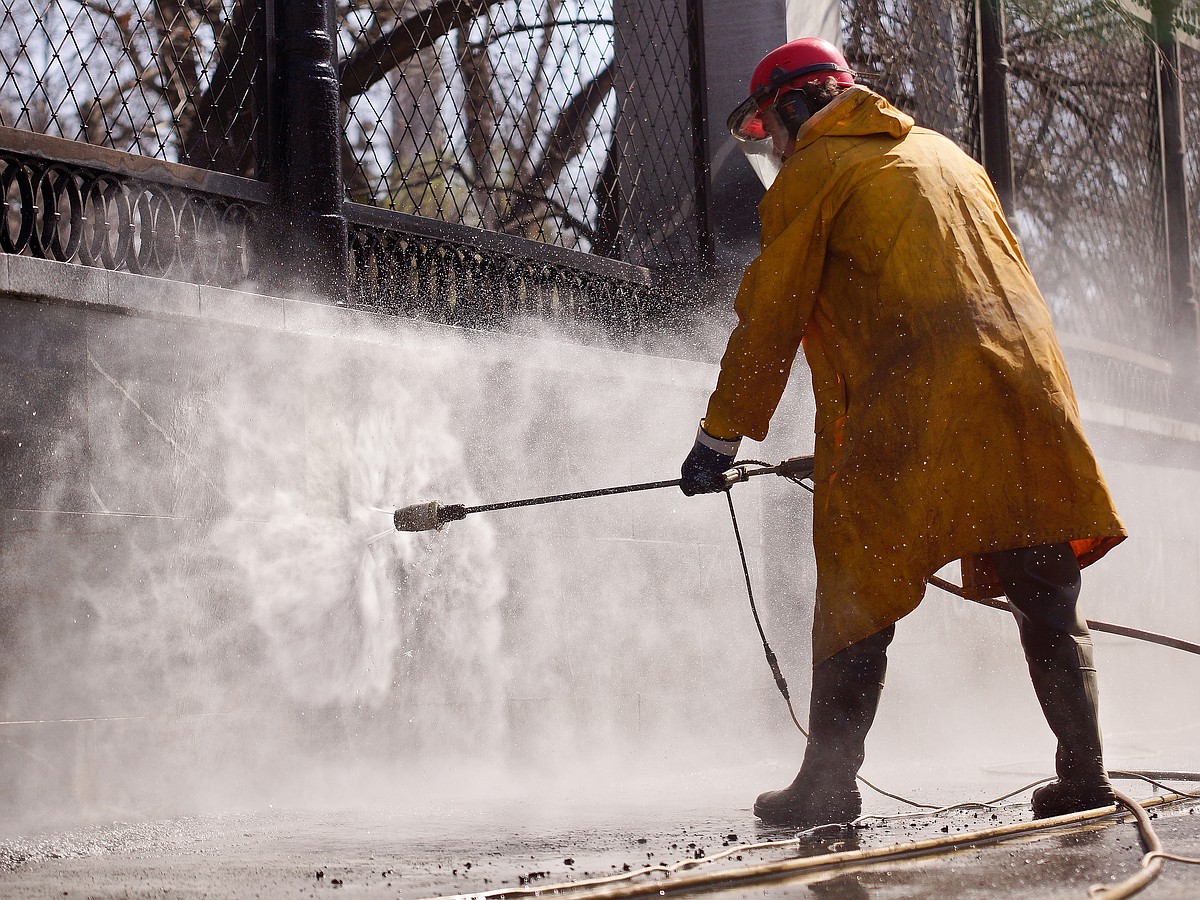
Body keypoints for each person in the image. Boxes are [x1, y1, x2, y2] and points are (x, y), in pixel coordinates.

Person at [679, 37, 1127, 828]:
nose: (773, 153)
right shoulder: (945, 156)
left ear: (792, 106)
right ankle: (1085, 774)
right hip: (1027, 393)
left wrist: (719, 438)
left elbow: (769, 320)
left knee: (858, 581)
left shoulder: (819, 170)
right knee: (1042, 581)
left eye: (770, 132)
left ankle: (828, 783)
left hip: (914, 403)